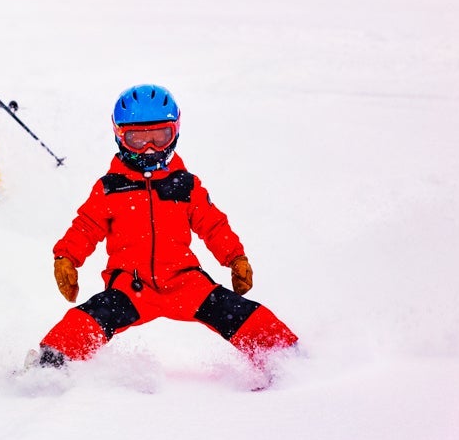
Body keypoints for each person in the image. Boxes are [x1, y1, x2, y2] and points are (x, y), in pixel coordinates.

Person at [28, 84, 298, 379]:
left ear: (175, 133)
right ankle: (48, 367)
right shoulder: (111, 187)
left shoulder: (185, 185)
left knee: (237, 312)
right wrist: (66, 257)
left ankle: (287, 357)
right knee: (91, 317)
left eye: (159, 137)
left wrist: (235, 258)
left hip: (184, 282)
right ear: (120, 137)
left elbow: (213, 224)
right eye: (137, 139)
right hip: (131, 287)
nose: (149, 149)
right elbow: (86, 226)